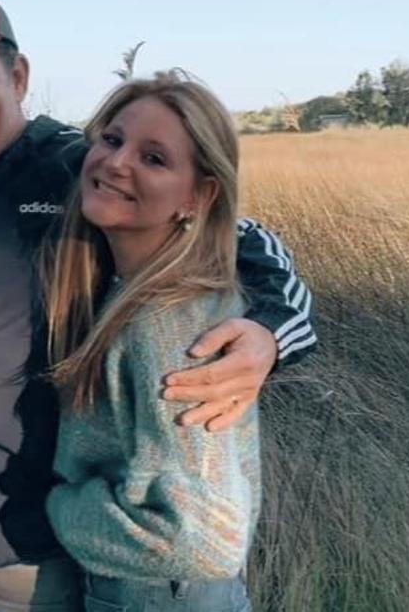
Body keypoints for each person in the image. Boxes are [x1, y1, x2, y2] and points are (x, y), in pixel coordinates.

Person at [0, 0, 315, 611]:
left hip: (27, 557)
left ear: (18, 76)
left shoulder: (77, 166)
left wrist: (271, 333)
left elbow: (238, 237)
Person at [44, 75, 257, 611]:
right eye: (112, 140)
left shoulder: (172, 326)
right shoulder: (129, 290)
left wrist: (61, 505)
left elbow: (202, 541)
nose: (117, 163)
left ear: (198, 196)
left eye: (155, 159)